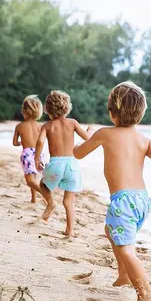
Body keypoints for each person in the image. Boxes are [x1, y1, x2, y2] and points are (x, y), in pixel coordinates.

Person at [73, 81, 151, 301]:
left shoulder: (105, 134)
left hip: (123, 202)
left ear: (112, 113)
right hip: (142, 201)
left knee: (126, 248)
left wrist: (82, 139)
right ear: (141, 114)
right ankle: (124, 275)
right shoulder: (144, 140)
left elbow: (78, 153)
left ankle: (146, 293)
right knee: (111, 231)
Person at [34, 90, 92, 236]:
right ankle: (70, 230)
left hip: (55, 165)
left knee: (43, 185)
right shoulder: (72, 123)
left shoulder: (47, 126)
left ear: (47, 109)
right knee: (69, 201)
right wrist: (90, 130)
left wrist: (37, 158)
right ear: (67, 107)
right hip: (72, 165)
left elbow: (40, 141)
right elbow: (87, 138)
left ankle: (51, 203)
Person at [13, 95, 44, 203]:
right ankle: (34, 199)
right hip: (38, 153)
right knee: (34, 177)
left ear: (24, 111)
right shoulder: (40, 126)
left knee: (30, 181)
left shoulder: (19, 126)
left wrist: (23, 142)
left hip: (27, 153)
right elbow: (42, 141)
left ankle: (46, 194)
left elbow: (15, 143)